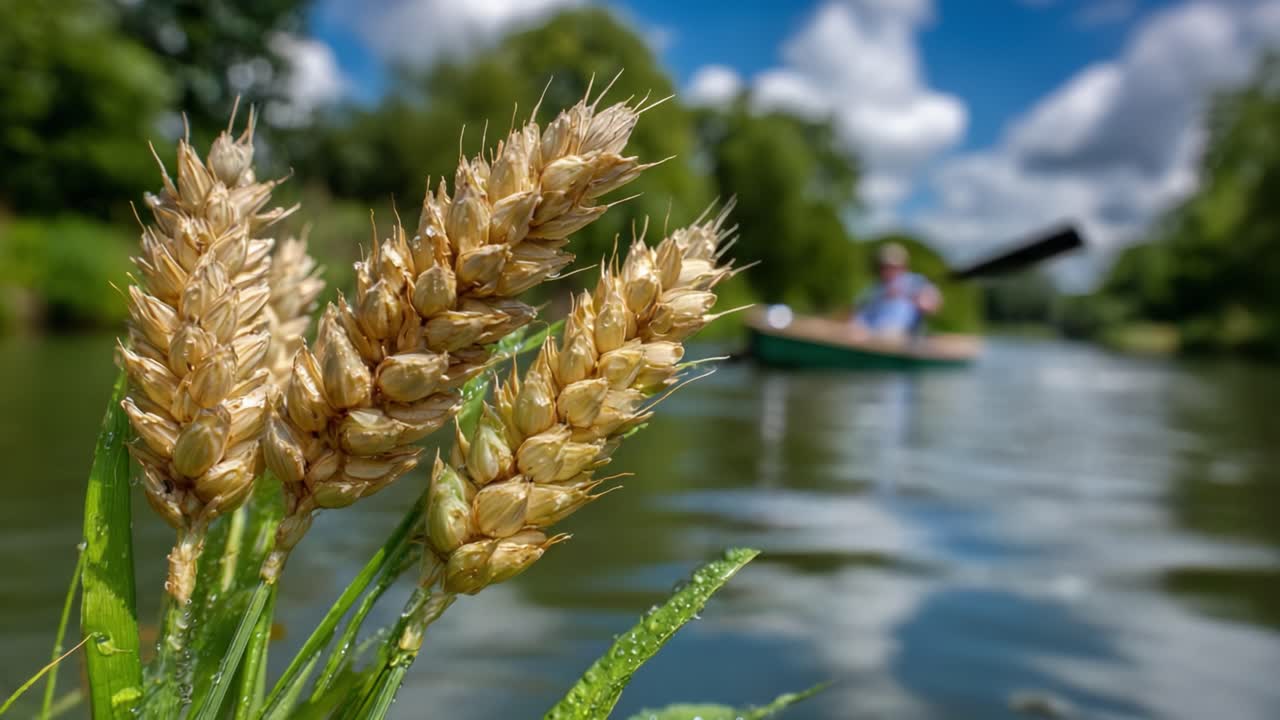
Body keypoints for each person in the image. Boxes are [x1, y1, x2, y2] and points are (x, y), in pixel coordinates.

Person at [851, 243, 942, 339]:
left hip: (902, 339)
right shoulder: (874, 287)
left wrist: (918, 300)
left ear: (903, 266)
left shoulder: (916, 282)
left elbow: (933, 306)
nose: (888, 271)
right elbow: (858, 310)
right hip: (870, 336)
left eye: (893, 267)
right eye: (884, 266)